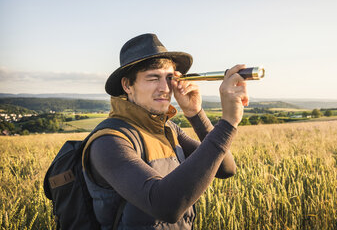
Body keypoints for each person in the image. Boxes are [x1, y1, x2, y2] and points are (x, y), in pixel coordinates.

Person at [82, 33, 249, 229]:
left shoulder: (169, 129)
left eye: (169, 78)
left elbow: (226, 168)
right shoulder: (109, 142)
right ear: (127, 85)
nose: (165, 88)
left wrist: (195, 113)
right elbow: (165, 206)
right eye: (153, 78)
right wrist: (228, 122)